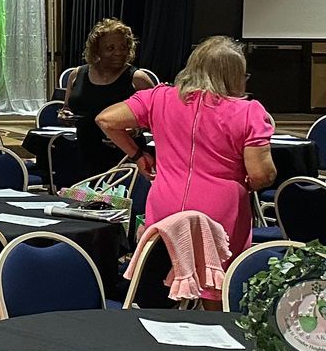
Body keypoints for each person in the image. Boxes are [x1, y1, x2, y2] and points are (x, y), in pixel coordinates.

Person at [96, 35, 275, 255]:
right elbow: (261, 175)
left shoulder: (157, 98)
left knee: (161, 276)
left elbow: (106, 120)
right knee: (215, 282)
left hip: (165, 205)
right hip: (220, 211)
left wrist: (138, 156)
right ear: (234, 75)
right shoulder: (249, 112)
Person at [65, 18, 139, 176]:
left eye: (123, 47)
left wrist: (134, 130)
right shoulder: (77, 75)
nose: (118, 53)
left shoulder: (137, 78)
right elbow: (66, 109)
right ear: (96, 50)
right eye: (110, 48)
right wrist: (64, 115)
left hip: (122, 156)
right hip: (84, 152)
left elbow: (157, 119)